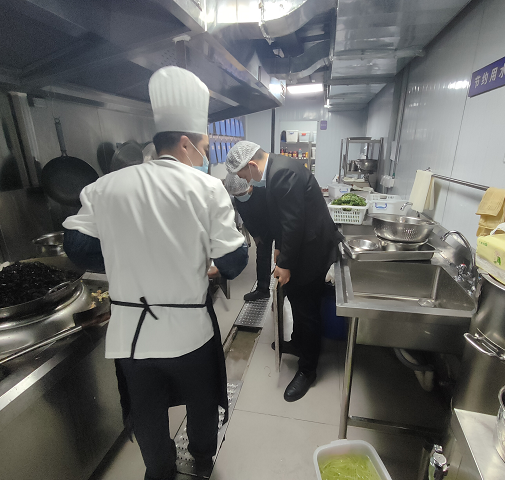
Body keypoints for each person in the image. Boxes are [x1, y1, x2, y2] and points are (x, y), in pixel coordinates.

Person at [62, 66, 248, 480]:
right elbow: (234, 263)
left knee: (146, 412)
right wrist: (193, 259)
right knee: (201, 402)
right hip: (190, 335)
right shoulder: (206, 188)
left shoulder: (106, 186)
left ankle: (160, 472)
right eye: (204, 147)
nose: (205, 156)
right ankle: (202, 457)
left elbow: (77, 248)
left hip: (132, 337)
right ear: (185, 142)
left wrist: (131, 258)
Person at [226, 141, 342, 402]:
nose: (246, 180)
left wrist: (285, 264)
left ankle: (308, 370)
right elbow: (282, 216)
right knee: (296, 298)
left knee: (306, 307)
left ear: (252, 165)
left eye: (244, 174)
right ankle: (299, 342)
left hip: (312, 249)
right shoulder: (276, 168)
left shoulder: (282, 173)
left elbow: (294, 222)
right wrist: (279, 249)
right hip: (303, 245)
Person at [224, 173, 272, 301]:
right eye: (237, 195)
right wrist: (255, 235)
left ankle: (286, 290)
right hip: (261, 228)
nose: (241, 197)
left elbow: (278, 212)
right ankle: (262, 290)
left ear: (250, 185)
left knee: (284, 258)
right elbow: (246, 218)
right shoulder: (238, 199)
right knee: (262, 256)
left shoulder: (264, 188)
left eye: (242, 194)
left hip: (276, 222)